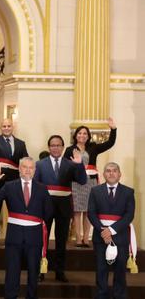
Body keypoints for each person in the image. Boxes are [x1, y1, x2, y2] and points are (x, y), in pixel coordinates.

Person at [0, 157, 53, 299]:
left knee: (33, 272)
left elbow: (48, 212)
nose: (28, 170)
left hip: (34, 237)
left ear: (35, 170)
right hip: (14, 236)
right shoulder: (9, 186)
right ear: (19, 169)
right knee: (12, 272)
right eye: (25, 167)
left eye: (31, 167)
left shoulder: (42, 188)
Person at [34, 135, 87, 282]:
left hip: (64, 206)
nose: (55, 147)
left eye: (58, 145)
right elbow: (35, 186)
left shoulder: (71, 164)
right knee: (42, 239)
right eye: (52, 145)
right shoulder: (40, 164)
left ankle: (60, 271)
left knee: (61, 240)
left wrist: (79, 164)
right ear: (48, 147)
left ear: (63, 147)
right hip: (45, 205)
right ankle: (41, 270)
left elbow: (82, 181)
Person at [64, 118, 117, 248]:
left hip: (91, 182)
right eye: (80, 133)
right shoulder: (70, 149)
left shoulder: (93, 147)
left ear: (88, 136)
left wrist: (113, 129)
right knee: (77, 211)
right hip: (76, 183)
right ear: (75, 135)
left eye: (85, 133)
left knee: (88, 211)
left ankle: (86, 239)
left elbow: (110, 143)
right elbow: (65, 167)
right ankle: (78, 238)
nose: (82, 135)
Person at [88, 162, 135, 299]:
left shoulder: (128, 192)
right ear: (103, 174)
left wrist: (111, 230)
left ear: (119, 174)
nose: (111, 173)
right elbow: (91, 213)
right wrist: (104, 231)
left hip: (120, 236)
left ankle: (119, 295)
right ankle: (101, 295)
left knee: (120, 270)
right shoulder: (95, 191)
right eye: (108, 171)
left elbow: (129, 215)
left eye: (114, 171)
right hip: (100, 237)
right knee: (101, 269)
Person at [0, 115, 29, 245]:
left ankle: (15, 237)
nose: (6, 128)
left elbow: (25, 160)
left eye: (9, 126)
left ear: (13, 127)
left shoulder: (21, 143)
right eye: (4, 126)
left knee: (15, 209)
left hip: (14, 181)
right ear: (0, 128)